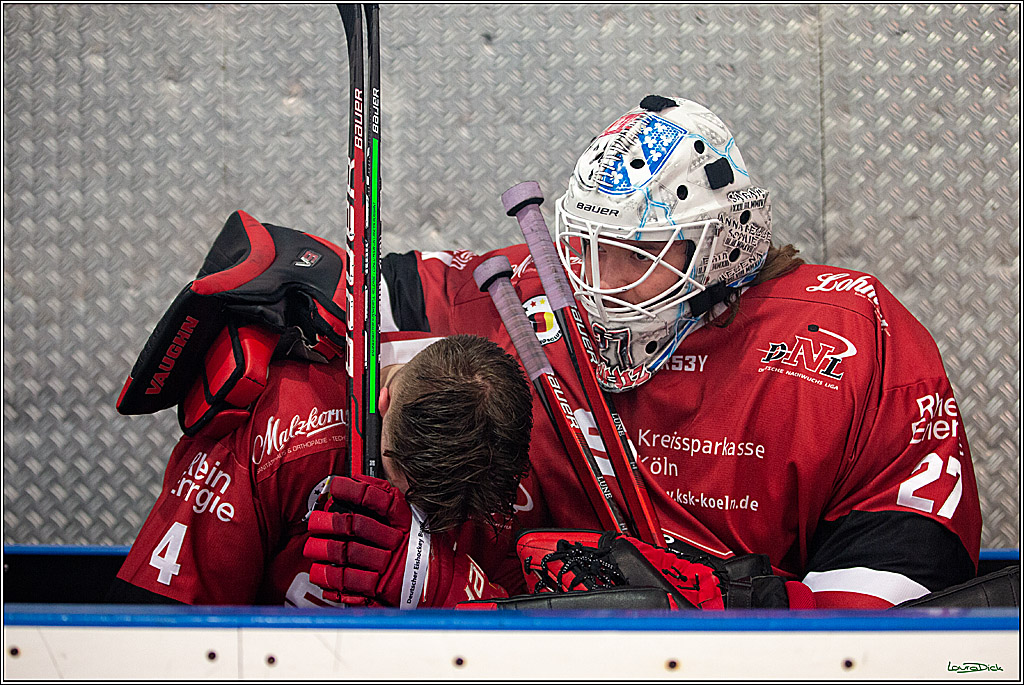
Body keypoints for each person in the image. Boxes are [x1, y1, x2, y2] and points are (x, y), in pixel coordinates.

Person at [302, 96, 982, 609]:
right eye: (590, 249)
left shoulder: (851, 335)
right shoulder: (533, 289)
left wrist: (707, 603)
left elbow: (881, 634)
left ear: (725, 242)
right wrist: (291, 281)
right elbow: (360, 298)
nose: (600, 285)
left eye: (637, 254)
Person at [109, 329, 533, 606]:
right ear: (382, 405)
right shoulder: (282, 424)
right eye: (419, 496)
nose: (429, 517)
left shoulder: (507, 428)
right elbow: (167, 626)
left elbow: (541, 638)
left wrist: (457, 594)